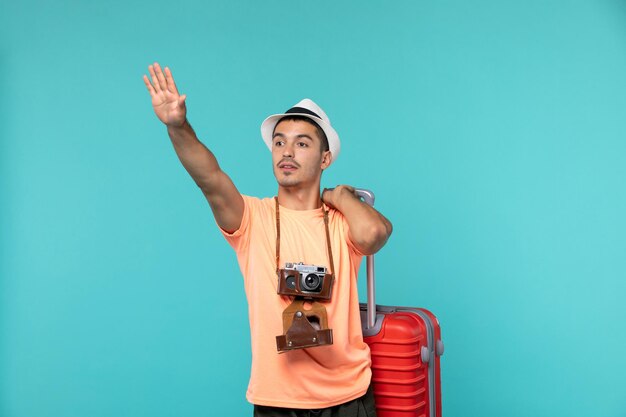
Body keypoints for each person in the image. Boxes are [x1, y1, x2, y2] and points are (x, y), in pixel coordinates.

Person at [143, 62, 392, 417]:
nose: (286, 152)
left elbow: (375, 234)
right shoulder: (253, 218)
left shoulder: (340, 222)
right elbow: (210, 179)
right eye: (279, 142)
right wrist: (178, 126)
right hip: (278, 401)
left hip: (347, 397)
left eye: (301, 143)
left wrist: (342, 197)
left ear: (325, 158)